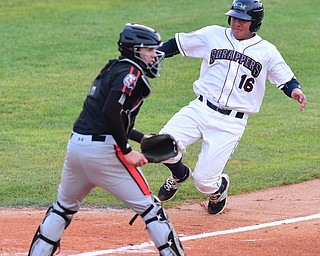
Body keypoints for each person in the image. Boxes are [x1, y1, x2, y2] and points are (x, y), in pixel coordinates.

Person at [28, 23, 185, 256]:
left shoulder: (113, 68)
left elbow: (110, 115)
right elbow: (111, 112)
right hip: (104, 152)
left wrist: (141, 137)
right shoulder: (131, 73)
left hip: (77, 148)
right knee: (151, 209)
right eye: (150, 50)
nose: (155, 54)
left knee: (62, 208)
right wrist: (127, 149)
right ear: (135, 50)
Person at [156, 0, 307, 215]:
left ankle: (219, 189)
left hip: (230, 123)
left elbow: (285, 79)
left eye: (243, 20)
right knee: (161, 145)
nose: (236, 23)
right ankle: (179, 174)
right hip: (200, 109)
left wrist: (295, 91)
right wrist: (157, 53)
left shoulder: (267, 51)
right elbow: (179, 43)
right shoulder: (213, 35)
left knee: (204, 182)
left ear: (254, 23)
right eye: (234, 17)